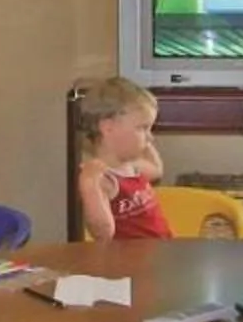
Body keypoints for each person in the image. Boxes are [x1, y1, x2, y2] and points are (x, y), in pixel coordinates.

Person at [72, 76, 171, 242]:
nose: (150, 137)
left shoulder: (130, 165)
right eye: (142, 128)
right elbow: (103, 234)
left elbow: (156, 171)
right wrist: (90, 186)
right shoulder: (102, 177)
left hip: (160, 249)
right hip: (131, 257)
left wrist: (145, 143)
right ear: (108, 128)